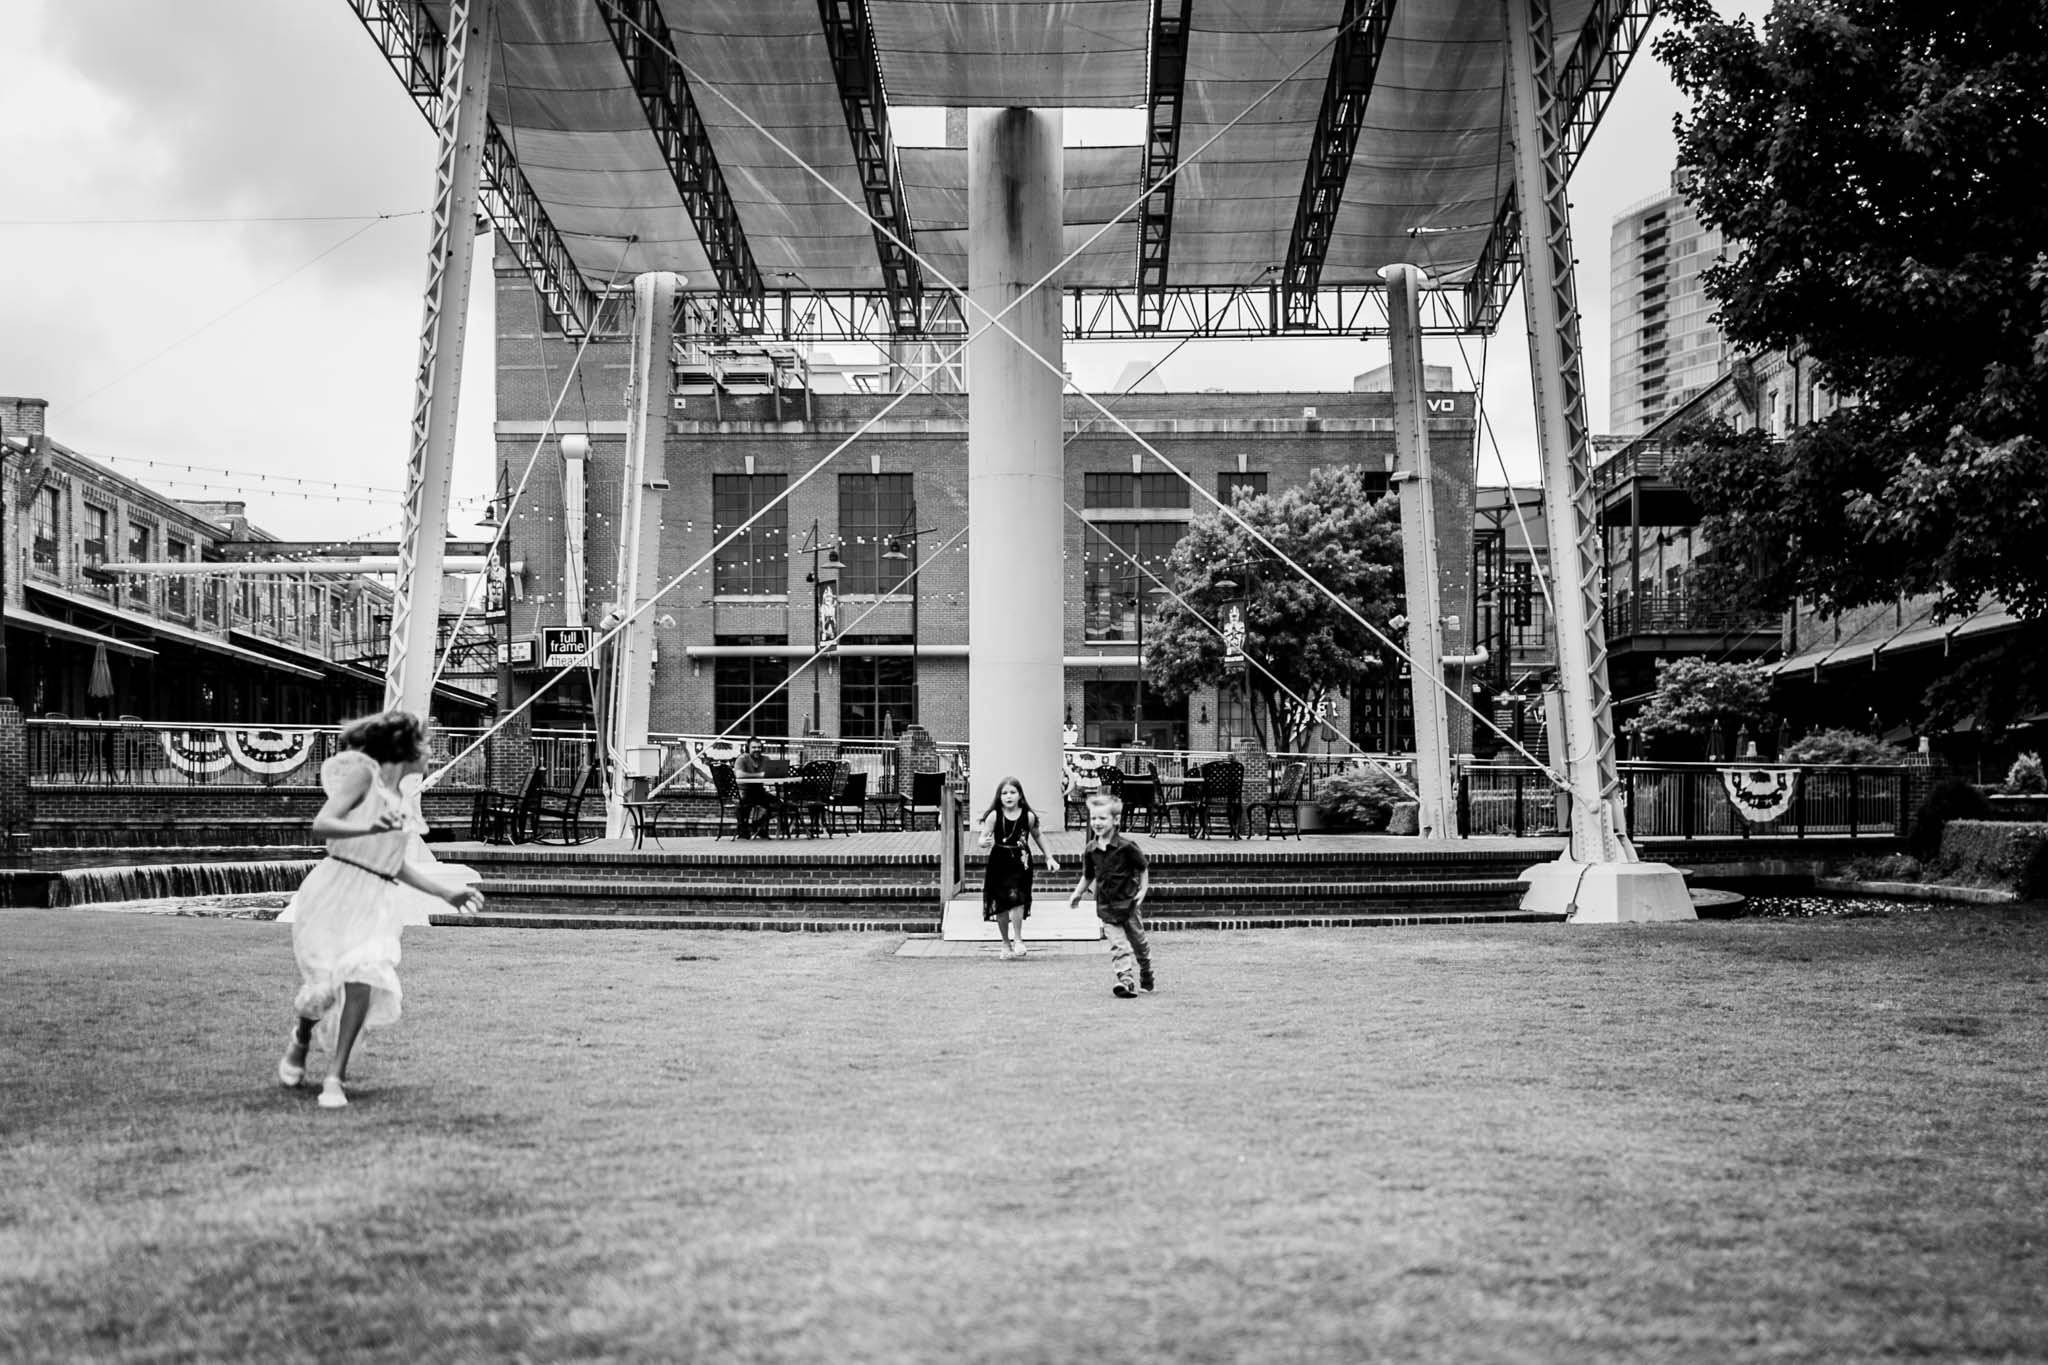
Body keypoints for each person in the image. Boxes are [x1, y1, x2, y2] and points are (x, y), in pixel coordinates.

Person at [276, 710, 482, 1109]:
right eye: (426, 746)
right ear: (405, 747)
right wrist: (367, 828)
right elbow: (323, 824)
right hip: (335, 891)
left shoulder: (400, 800)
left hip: (376, 899)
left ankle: (335, 1076)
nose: (431, 755)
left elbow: (393, 863)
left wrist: (447, 893)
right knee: (322, 989)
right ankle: (301, 1037)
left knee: (364, 976)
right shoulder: (364, 776)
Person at [1068, 791, 1154, 997]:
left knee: (1138, 943)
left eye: (1102, 818)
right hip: (1106, 906)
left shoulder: (1126, 847)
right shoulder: (1090, 849)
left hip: (1128, 904)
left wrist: (1143, 889)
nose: (1097, 822)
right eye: (1094, 818)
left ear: (1115, 820)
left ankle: (1146, 972)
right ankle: (1125, 980)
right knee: (1118, 945)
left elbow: (1143, 867)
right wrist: (1077, 893)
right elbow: (1088, 875)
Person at [977, 776, 1058, 959]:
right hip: (999, 861)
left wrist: (1049, 857)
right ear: (999, 797)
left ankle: (1018, 939)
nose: (1008, 796)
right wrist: (984, 842)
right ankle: (1005, 942)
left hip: (1021, 861)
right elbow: (982, 838)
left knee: (1018, 898)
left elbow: (1038, 836)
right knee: (1002, 904)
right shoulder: (994, 815)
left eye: (1012, 792)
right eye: (1004, 793)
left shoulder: (1028, 816)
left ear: (1020, 795)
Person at [733, 736, 780, 839]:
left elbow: (771, 774)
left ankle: (757, 825)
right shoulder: (742, 759)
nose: (757, 750)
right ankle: (743, 829)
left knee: (778, 804)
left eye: (759, 747)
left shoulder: (766, 759)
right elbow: (739, 774)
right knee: (744, 804)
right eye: (754, 747)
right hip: (744, 790)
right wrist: (760, 775)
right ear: (748, 748)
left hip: (759, 791)